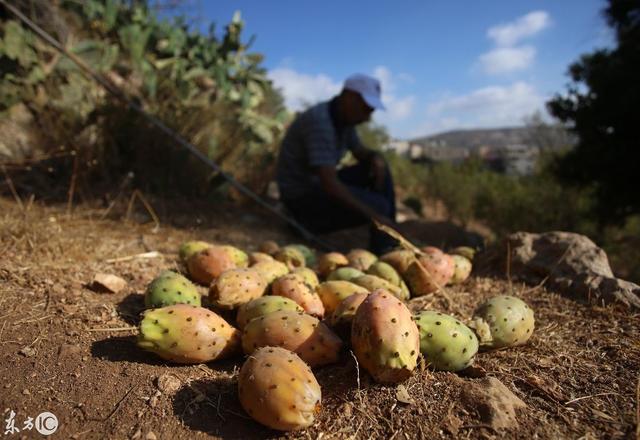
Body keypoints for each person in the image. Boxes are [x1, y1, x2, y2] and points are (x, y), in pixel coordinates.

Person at [276, 73, 398, 254]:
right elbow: (329, 183)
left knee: (379, 167)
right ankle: (384, 244)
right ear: (349, 97)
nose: (367, 118)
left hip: (318, 186)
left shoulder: (343, 122)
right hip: (301, 198)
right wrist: (376, 216)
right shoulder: (320, 123)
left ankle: (389, 239)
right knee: (379, 207)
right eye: (366, 109)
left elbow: (360, 152)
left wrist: (375, 157)